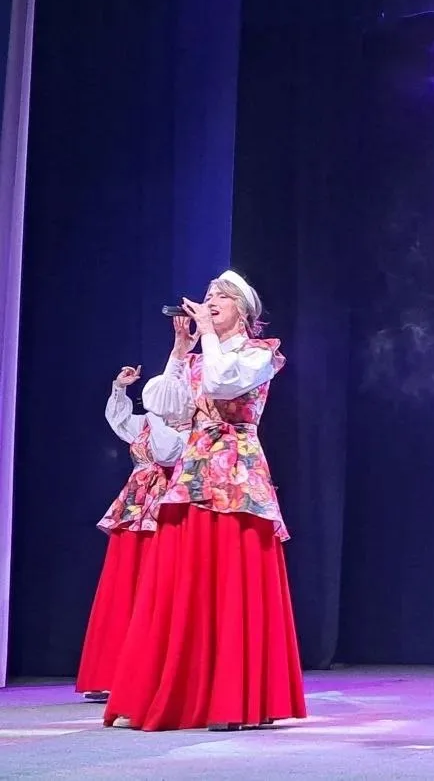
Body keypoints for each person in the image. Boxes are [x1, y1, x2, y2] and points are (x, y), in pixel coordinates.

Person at [103, 270, 306, 731]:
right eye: (209, 294)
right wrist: (180, 350)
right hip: (194, 472)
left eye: (223, 297)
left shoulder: (259, 353)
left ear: (244, 310)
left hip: (237, 474)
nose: (211, 301)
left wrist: (209, 339)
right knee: (183, 581)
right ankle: (177, 694)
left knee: (234, 582)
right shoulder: (200, 356)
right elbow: (166, 407)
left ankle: (238, 700)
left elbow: (221, 384)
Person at [75, 364, 189, 702]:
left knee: (159, 585)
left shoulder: (191, 431)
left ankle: (152, 674)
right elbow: (120, 420)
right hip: (135, 506)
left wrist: (156, 414)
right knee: (123, 585)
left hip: (168, 507)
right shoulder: (148, 423)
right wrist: (120, 389)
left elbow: (167, 453)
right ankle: (111, 672)